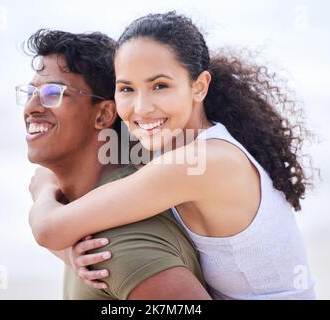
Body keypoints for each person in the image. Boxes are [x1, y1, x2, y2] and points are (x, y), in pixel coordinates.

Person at [29, 12, 316, 299]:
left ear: (199, 86)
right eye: (127, 88)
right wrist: (72, 253)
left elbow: (48, 229)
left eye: (160, 86)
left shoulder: (203, 163)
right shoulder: (166, 135)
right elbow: (59, 167)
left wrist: (47, 200)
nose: (141, 108)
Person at [19, 29, 210, 299]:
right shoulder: (75, 213)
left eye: (53, 93)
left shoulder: (119, 245)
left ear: (105, 114)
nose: (31, 107)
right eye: (30, 92)